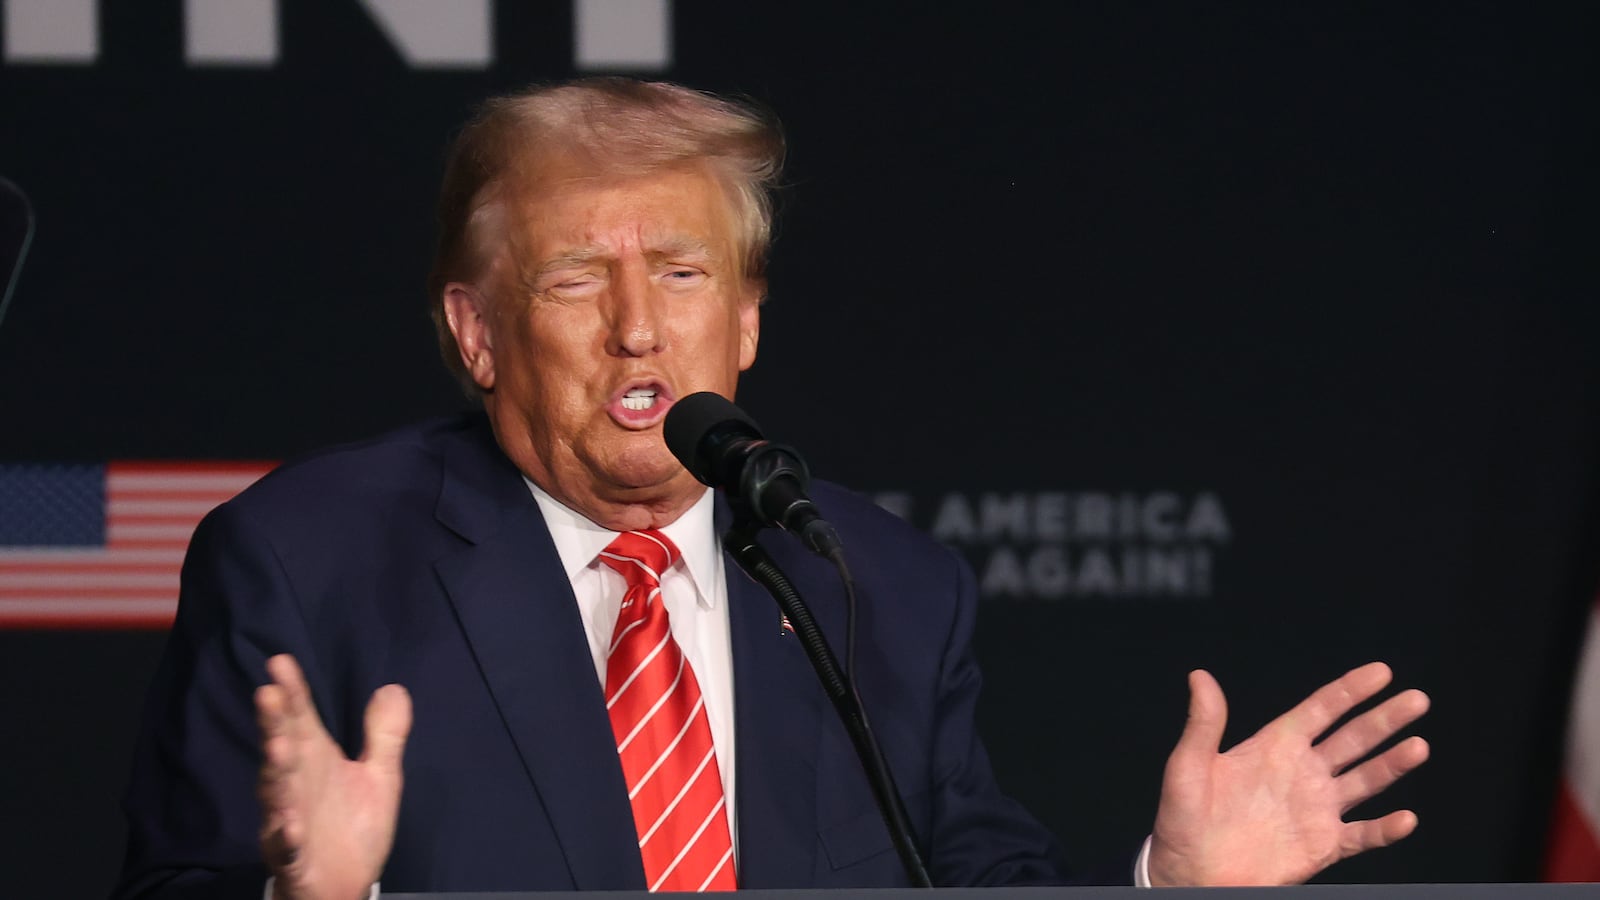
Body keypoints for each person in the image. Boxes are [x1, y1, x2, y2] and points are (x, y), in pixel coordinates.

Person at [114, 78, 1430, 900]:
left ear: (745, 320)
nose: (640, 329)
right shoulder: (309, 559)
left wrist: (1167, 888)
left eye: (682, 274)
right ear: (476, 332)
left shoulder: (879, 582)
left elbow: (966, 883)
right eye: (578, 277)